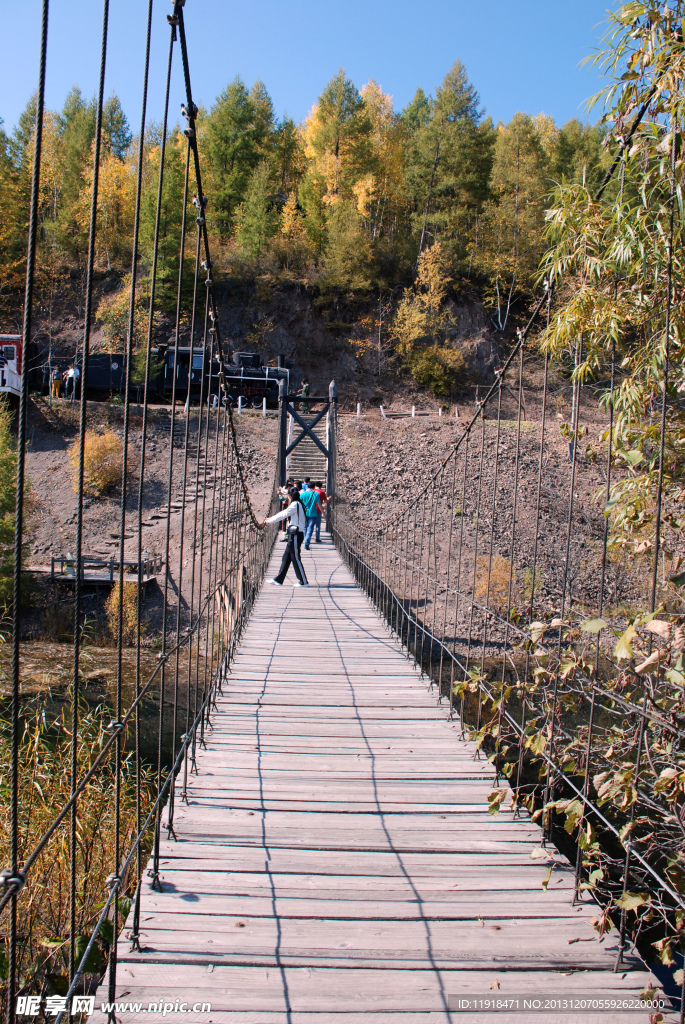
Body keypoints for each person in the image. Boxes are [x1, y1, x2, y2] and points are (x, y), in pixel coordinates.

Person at [265, 487, 309, 587]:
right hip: (295, 534)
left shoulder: (295, 504)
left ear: (289, 496)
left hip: (296, 534)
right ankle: (279, 580)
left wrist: (270, 520)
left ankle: (303, 581)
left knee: (295, 558)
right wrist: (271, 518)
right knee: (286, 557)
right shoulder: (300, 503)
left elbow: (284, 514)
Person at [300, 483, 320, 549]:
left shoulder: (302, 494)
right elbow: (319, 505)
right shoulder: (316, 494)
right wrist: (324, 513)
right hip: (313, 513)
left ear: (307, 486)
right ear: (314, 487)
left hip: (304, 513)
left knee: (305, 528)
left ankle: (305, 540)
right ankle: (306, 543)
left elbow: (300, 503)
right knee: (310, 528)